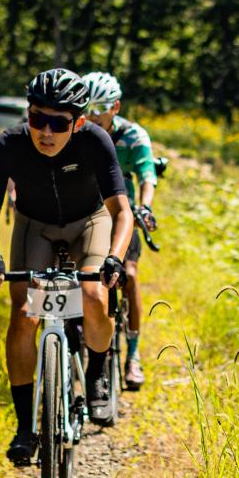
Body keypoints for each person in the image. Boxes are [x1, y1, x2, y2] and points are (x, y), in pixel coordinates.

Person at [0, 69, 133, 463]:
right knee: (23, 317)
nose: (45, 131)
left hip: (89, 221)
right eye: (37, 118)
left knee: (93, 294)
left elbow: (121, 212)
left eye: (58, 123)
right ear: (27, 114)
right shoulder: (7, 146)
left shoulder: (94, 141)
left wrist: (114, 257)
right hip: (35, 225)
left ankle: (97, 373)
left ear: (78, 123)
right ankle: (24, 428)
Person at [80, 71, 159, 391]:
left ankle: (134, 354)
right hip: (85, 215)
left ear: (115, 107)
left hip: (121, 216)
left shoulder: (133, 136)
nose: (93, 116)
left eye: (100, 109)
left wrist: (145, 206)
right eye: (87, 108)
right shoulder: (78, 131)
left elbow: (147, 174)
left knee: (130, 275)